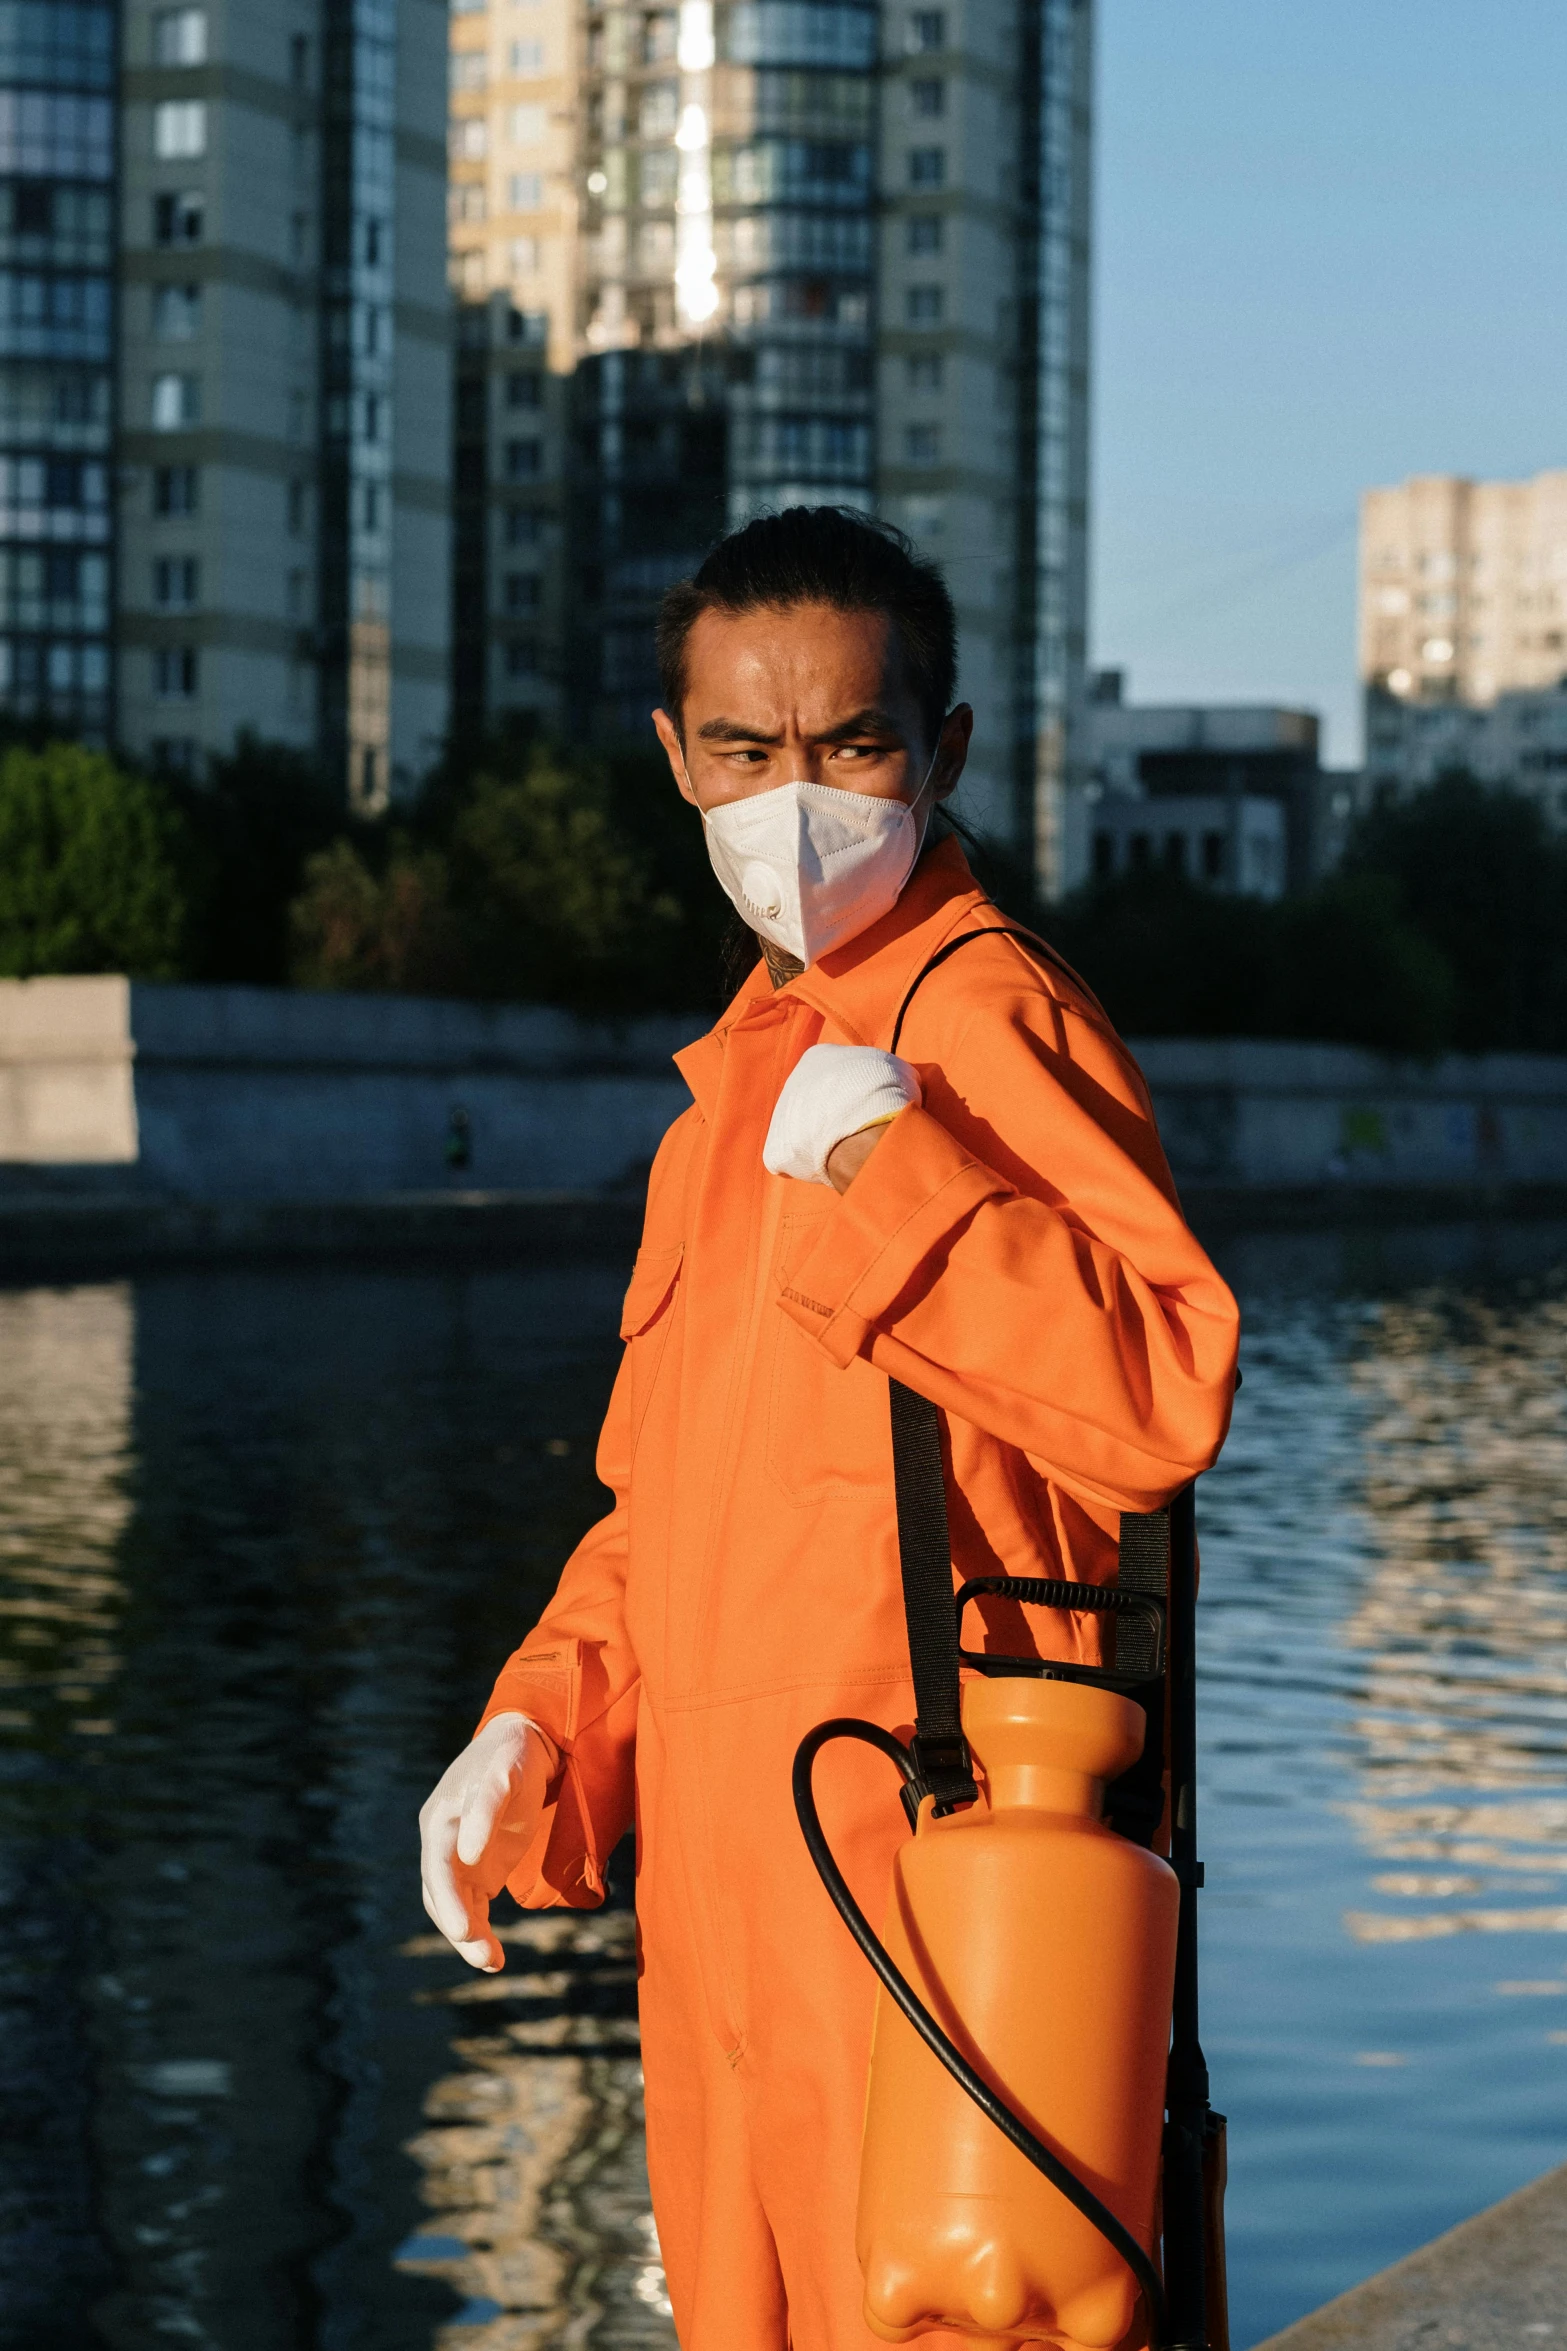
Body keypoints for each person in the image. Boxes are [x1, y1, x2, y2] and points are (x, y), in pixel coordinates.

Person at [418, 508, 1240, 2351]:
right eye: (743, 751)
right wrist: (535, 1722)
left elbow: (1157, 1391)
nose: (795, 800)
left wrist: (898, 1169)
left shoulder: (984, 1016)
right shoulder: (734, 1084)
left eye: (851, 747)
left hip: (926, 1895)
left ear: (940, 751)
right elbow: (660, 1512)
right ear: (674, 758)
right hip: (726, 1910)